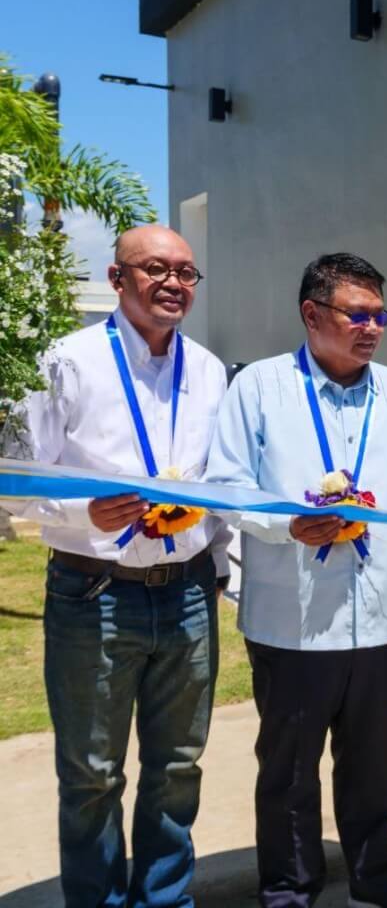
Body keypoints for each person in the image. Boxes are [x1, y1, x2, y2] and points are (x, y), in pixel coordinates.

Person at [204, 253, 387, 908]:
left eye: (380, 315)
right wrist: (286, 526)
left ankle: (374, 881)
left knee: (372, 768)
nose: (373, 328)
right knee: (289, 774)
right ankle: (289, 892)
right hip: (291, 621)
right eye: (358, 313)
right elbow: (226, 486)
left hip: (383, 618)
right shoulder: (259, 388)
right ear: (311, 313)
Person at [3, 225, 229, 907]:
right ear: (117, 277)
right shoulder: (66, 362)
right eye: (156, 268)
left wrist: (217, 567)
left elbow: (215, 486)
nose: (174, 282)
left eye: (187, 272)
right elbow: (13, 477)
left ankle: (165, 899)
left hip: (188, 593)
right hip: (92, 591)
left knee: (178, 768)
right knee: (93, 774)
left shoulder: (211, 370)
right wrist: (80, 516)